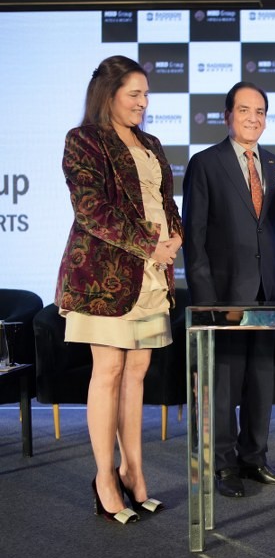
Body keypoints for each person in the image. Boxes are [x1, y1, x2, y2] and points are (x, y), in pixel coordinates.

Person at [55, 55, 183, 524]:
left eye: (146, 94)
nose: (143, 102)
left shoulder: (150, 143)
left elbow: (165, 201)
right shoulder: (84, 140)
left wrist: (176, 236)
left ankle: (134, 471)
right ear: (108, 94)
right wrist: (151, 245)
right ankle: (104, 479)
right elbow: (92, 210)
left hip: (151, 276)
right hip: (103, 278)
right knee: (108, 371)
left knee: (137, 373)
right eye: (135, 94)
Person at [182, 81, 275, 498]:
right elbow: (194, 237)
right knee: (224, 383)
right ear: (227, 115)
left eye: (260, 111)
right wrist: (205, 300)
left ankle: (255, 458)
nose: (253, 118)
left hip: (269, 293)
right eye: (245, 110)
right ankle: (224, 464)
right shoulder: (205, 163)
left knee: (261, 380)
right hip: (224, 294)